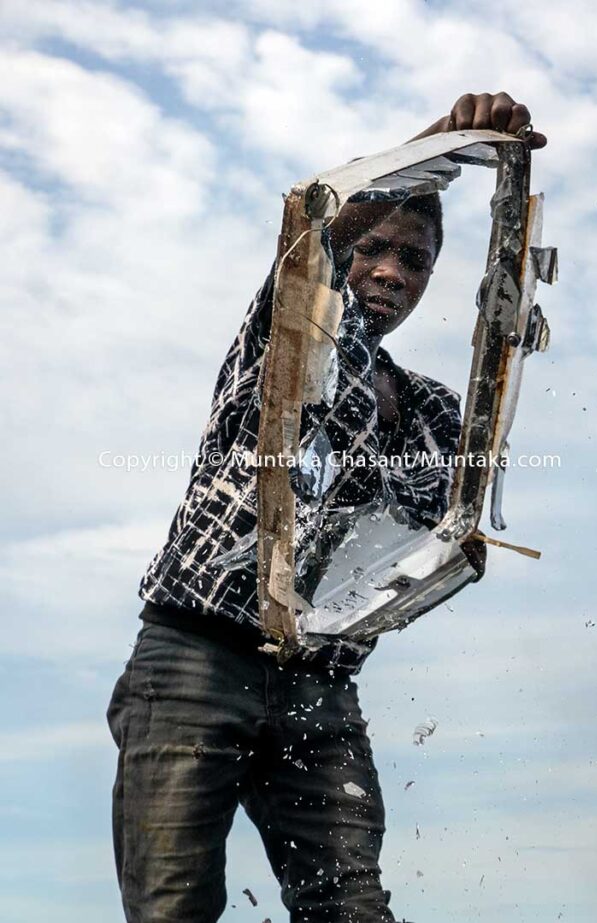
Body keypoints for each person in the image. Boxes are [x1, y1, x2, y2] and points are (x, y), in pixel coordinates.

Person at [107, 92, 546, 923]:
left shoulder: (433, 410)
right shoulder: (290, 328)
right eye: (376, 249)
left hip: (321, 687)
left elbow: (421, 540)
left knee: (352, 908)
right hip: (196, 655)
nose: (391, 270)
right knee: (172, 909)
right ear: (343, 253)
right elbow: (320, 228)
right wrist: (436, 148)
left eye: (414, 261)